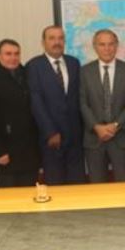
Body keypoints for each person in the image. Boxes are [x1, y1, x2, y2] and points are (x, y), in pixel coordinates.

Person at [27, 26, 86, 184]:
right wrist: (50, 132)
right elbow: (36, 101)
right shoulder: (34, 66)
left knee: (77, 183)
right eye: (52, 38)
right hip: (51, 138)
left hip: (75, 136)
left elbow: (78, 97)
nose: (57, 42)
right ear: (43, 42)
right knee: (55, 182)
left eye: (60, 38)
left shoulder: (74, 63)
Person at [0, 39, 41, 188]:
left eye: (16, 54)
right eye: (8, 54)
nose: (13, 57)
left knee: (30, 194)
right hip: (6, 151)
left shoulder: (28, 74)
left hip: (30, 151)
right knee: (9, 195)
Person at [80, 29, 125, 182]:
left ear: (117, 45)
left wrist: (115, 125)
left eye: (111, 44)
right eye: (102, 44)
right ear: (95, 46)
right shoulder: (84, 72)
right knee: (97, 186)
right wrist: (96, 126)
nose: (107, 48)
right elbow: (82, 103)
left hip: (122, 137)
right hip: (94, 139)